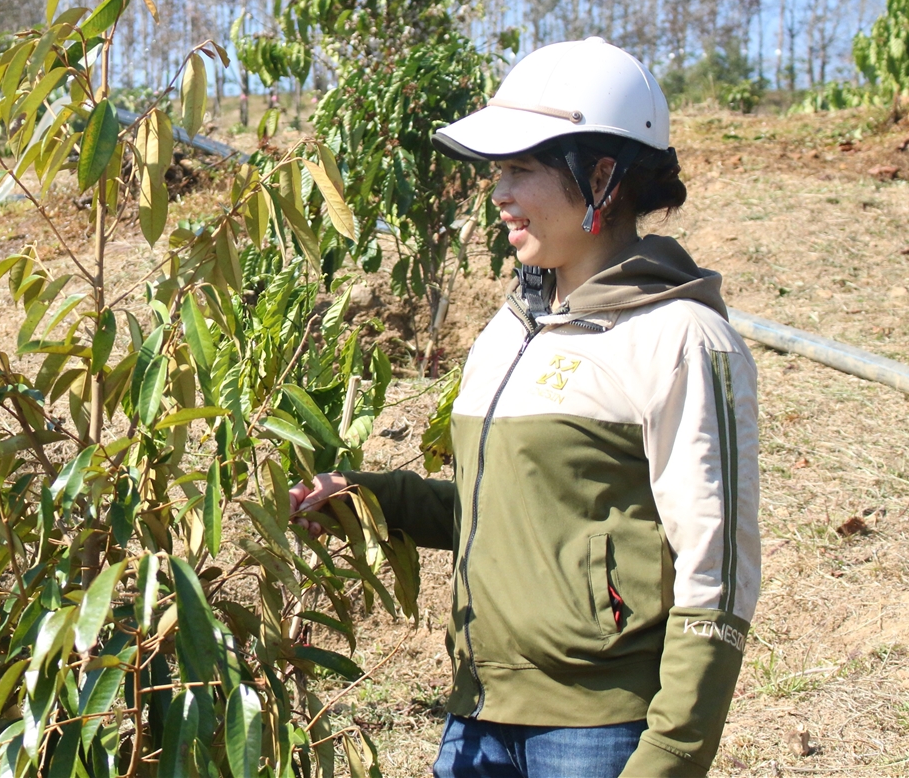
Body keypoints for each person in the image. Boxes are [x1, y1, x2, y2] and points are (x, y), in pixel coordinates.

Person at [291, 38, 759, 778]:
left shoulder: (679, 337)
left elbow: (718, 569)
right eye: (496, 171)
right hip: (477, 719)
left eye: (520, 168)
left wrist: (671, 752)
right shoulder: (511, 330)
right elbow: (508, 509)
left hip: (601, 733)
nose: (497, 192)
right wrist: (370, 497)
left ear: (602, 175)